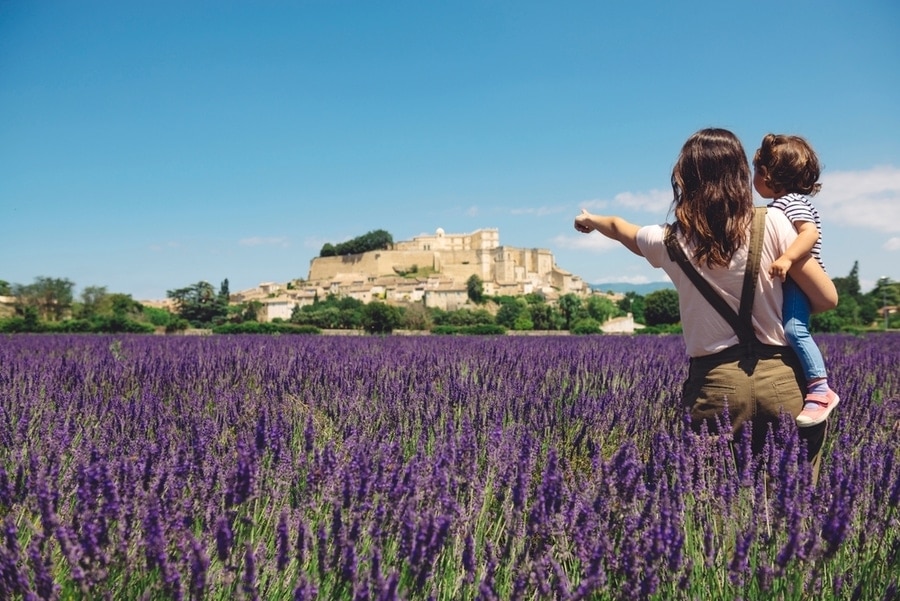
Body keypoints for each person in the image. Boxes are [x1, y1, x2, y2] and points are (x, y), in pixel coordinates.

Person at [574, 128, 838, 473]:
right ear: (742, 175)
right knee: (796, 509)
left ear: (684, 178)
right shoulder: (775, 222)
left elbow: (619, 226)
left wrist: (591, 220)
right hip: (783, 381)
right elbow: (827, 298)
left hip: (715, 387)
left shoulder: (666, 240)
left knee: (713, 509)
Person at [752, 133, 839, 427]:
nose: (753, 179)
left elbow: (809, 233)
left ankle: (820, 388)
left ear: (769, 175)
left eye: (756, 172)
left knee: (794, 329)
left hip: (798, 280)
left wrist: (787, 258)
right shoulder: (783, 204)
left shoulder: (791, 203)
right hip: (789, 280)